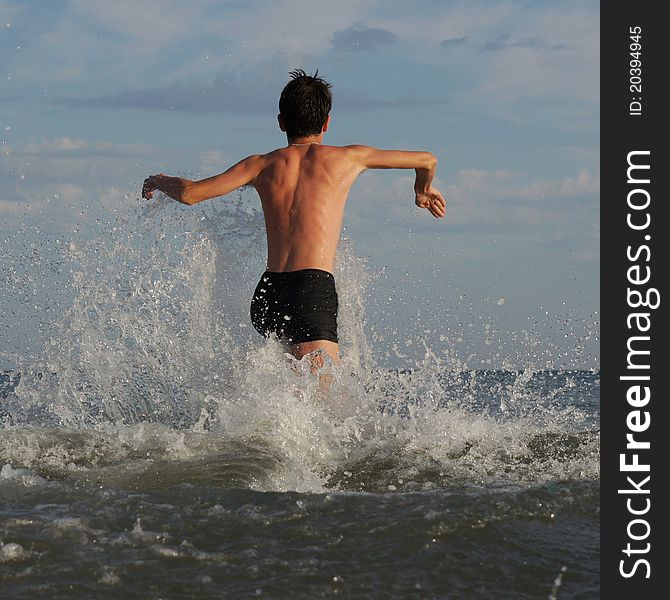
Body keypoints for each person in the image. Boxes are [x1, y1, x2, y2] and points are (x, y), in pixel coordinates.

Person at [142, 69, 445, 373]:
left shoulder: (259, 165)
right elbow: (427, 159)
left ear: (281, 122)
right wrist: (422, 190)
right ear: (326, 123)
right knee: (323, 409)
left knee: (284, 405)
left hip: (268, 292)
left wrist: (160, 179)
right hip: (311, 289)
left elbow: (191, 193)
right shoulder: (348, 157)